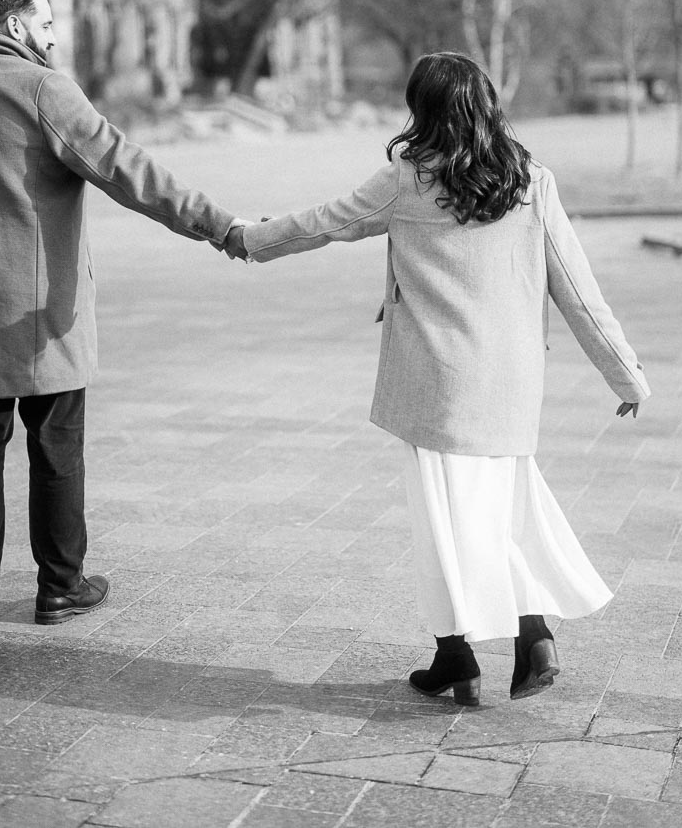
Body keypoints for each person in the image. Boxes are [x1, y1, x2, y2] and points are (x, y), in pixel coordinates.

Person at [228, 52, 650, 705]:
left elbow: (325, 222)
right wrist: (626, 376)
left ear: (423, 112)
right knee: (502, 511)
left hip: (437, 384)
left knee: (449, 524)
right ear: (487, 105)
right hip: (510, 387)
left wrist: (249, 238)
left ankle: (492, 643)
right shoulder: (532, 182)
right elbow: (578, 291)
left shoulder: (408, 179)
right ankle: (486, 648)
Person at [0, 0, 247, 664]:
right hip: (41, 317)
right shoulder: (44, 90)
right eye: (46, 26)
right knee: (55, 446)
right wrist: (220, 226)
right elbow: (130, 170)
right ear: (15, 26)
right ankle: (60, 587)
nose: (52, 39)